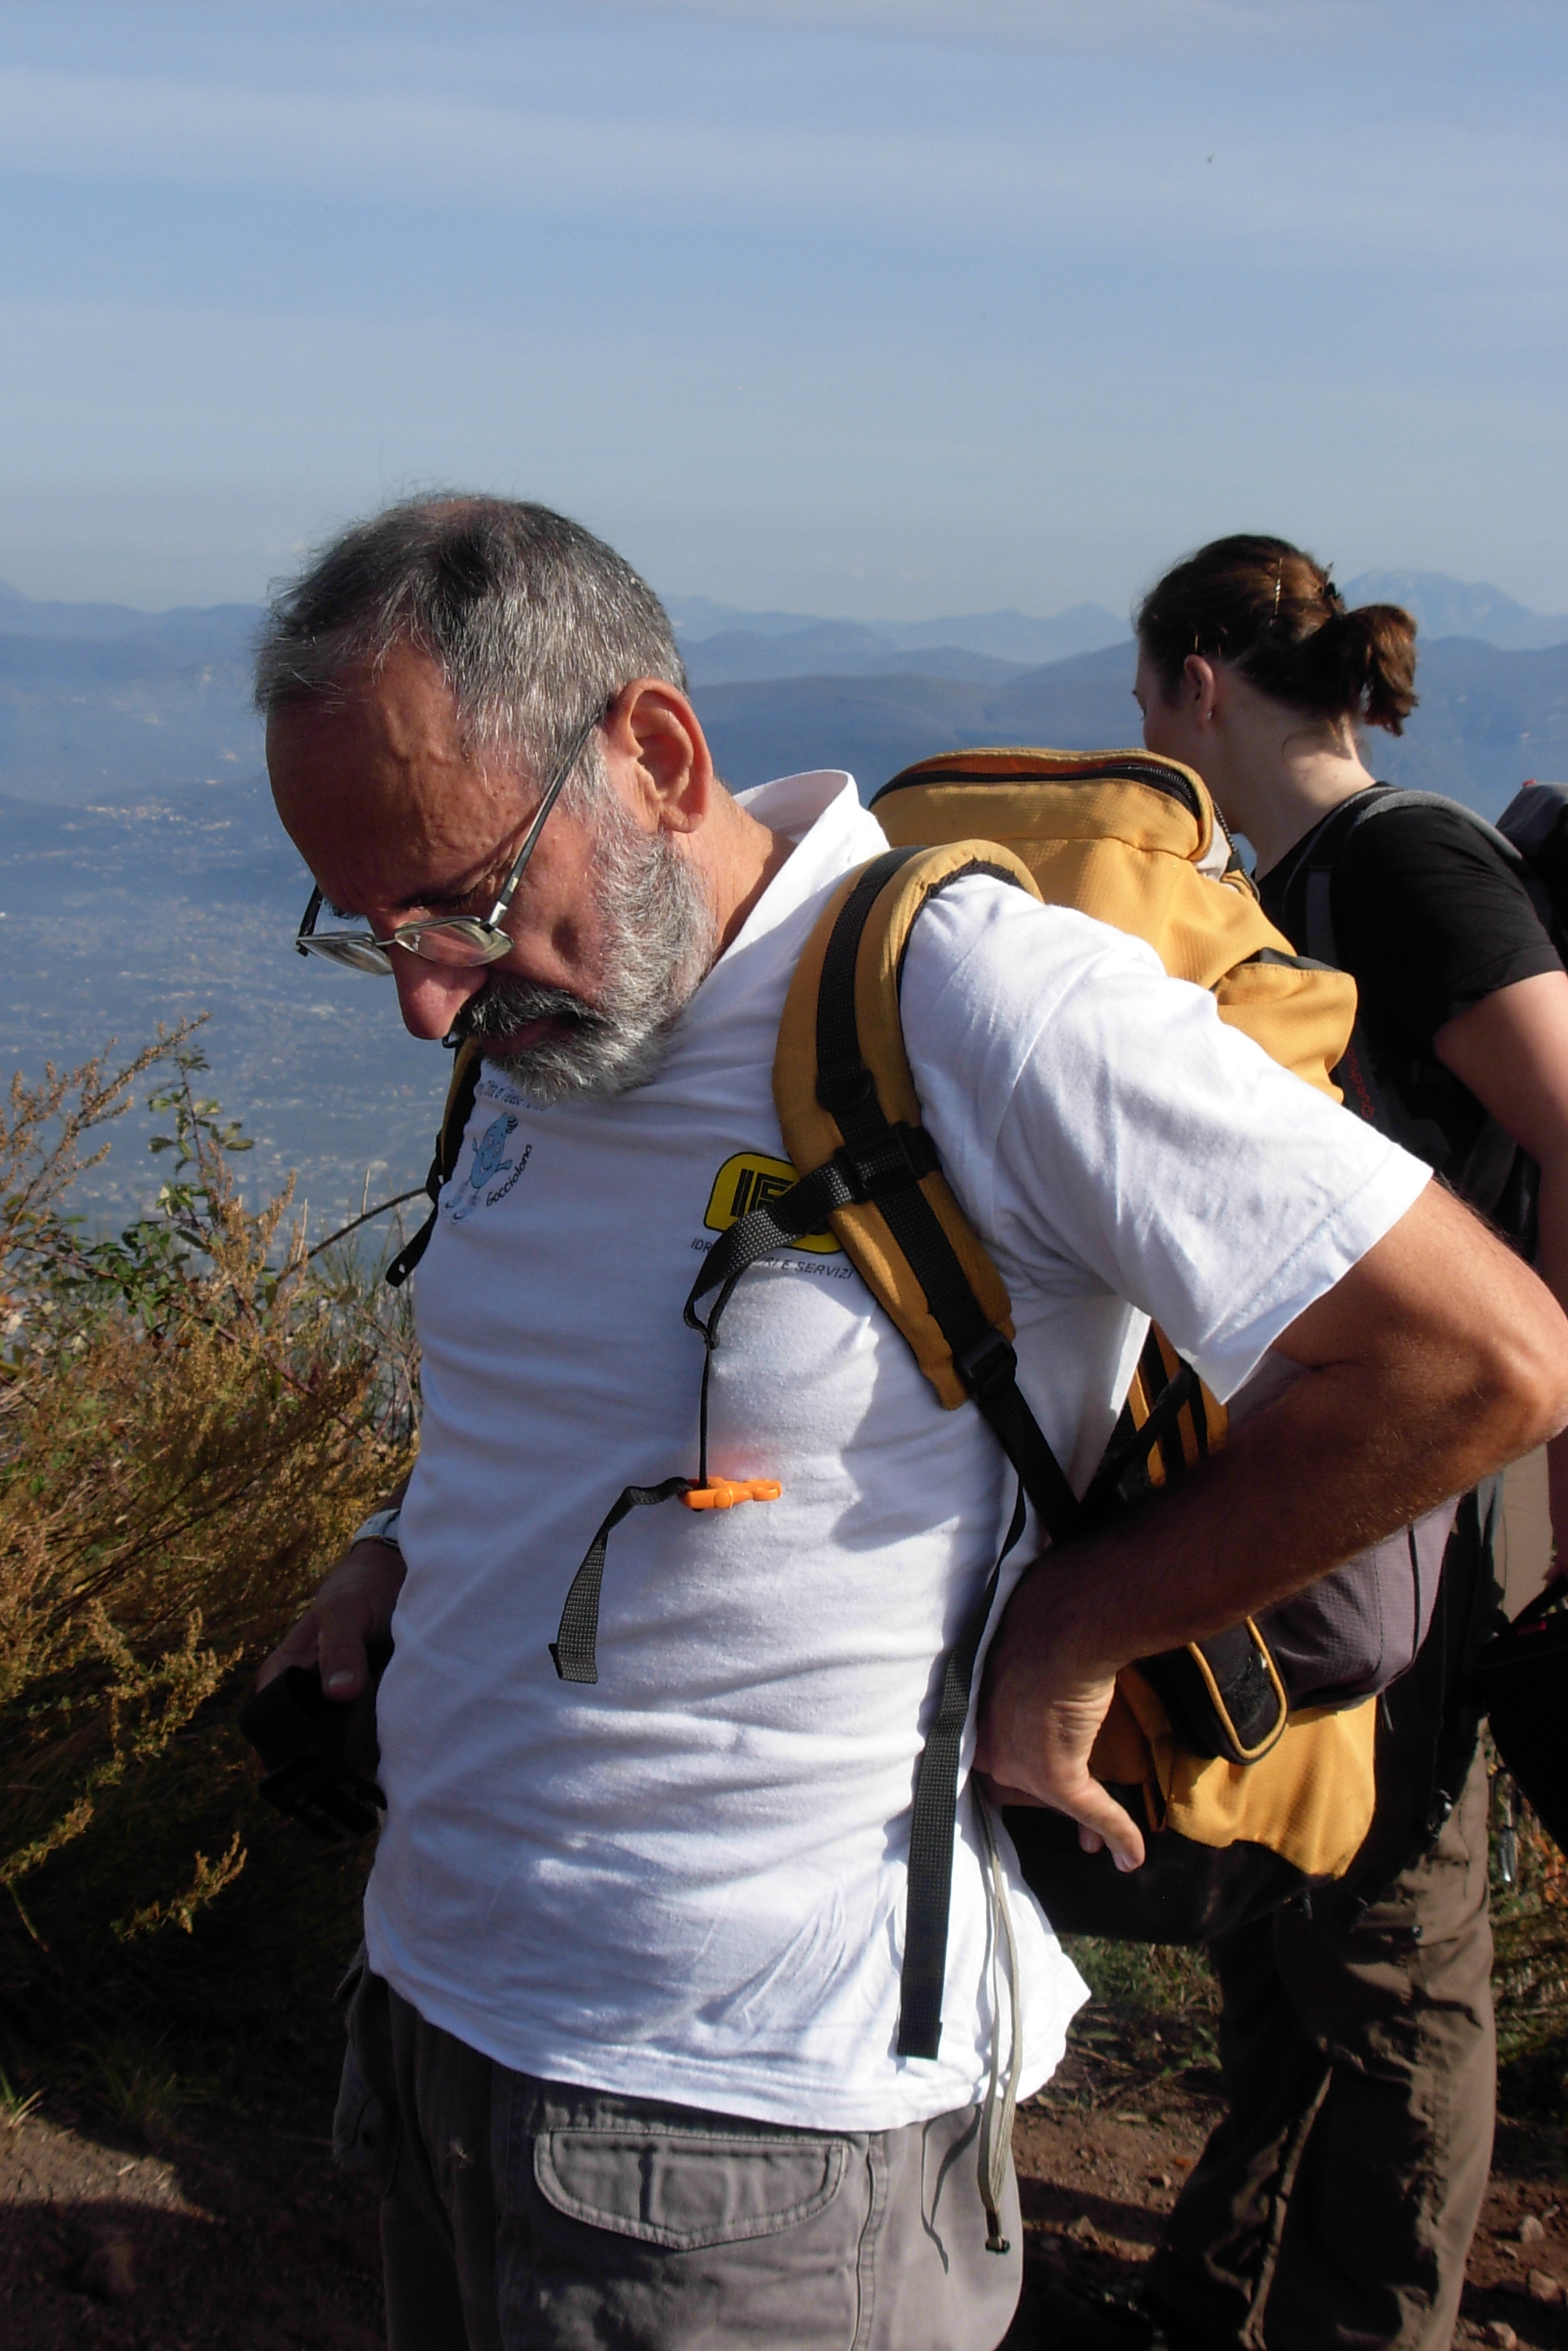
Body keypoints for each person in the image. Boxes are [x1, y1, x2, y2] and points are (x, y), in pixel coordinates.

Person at [254, 494, 1568, 2351]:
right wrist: (395, 1552)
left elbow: (1478, 1358)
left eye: (462, 903)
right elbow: (557, 1385)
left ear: (655, 756)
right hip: (434, 2025)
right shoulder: (556, 1019)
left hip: (758, 2137)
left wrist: (1080, 1627)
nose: (421, 1000)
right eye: (365, 924)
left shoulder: (976, 1002)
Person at [1123, 533, 1568, 2351]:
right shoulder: (1291, 882)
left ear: (1196, 685)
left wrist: (1546, 1447)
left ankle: (1362, 2326)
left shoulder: (1404, 867)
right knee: (1291, 1907)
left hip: (1429, 1483)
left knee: (1390, 1936)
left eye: (1145, 699)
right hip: (1343, 1473)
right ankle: (1216, 2291)